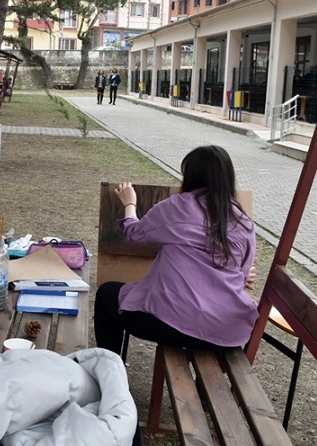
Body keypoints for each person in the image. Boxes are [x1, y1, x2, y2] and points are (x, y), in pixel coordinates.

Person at [94, 145, 257, 355]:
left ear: (191, 175)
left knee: (106, 294)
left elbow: (134, 235)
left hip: (174, 324)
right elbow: (244, 275)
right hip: (227, 332)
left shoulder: (178, 206)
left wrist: (130, 203)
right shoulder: (242, 221)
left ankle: (109, 370)